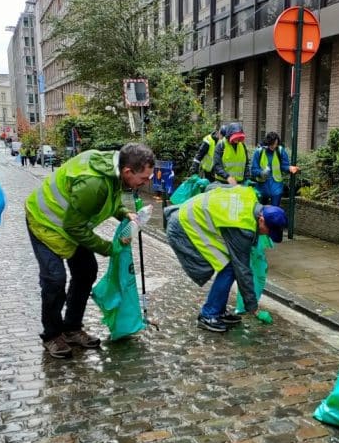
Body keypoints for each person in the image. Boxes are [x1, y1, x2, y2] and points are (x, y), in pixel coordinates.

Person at [25, 143, 155, 358]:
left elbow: (108, 201)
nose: (146, 182)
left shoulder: (115, 169)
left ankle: (72, 328)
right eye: (143, 178)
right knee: (54, 279)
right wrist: (108, 248)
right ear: (128, 171)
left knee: (86, 271)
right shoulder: (94, 184)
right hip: (44, 222)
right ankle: (52, 335)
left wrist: (123, 213)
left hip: (71, 224)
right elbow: (73, 227)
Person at [165, 185, 288, 332]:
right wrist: (253, 309)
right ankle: (209, 314)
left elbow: (213, 187)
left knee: (229, 265)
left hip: (186, 216)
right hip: (184, 226)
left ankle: (218, 311)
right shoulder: (243, 226)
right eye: (268, 231)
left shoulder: (250, 198)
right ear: (261, 219)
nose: (266, 235)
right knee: (230, 267)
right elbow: (242, 269)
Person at [250, 131, 299, 206]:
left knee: (275, 211)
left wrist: (289, 168)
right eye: (272, 144)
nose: (274, 146)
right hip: (262, 186)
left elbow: (283, 166)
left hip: (276, 186)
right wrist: (261, 173)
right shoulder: (259, 152)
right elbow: (253, 170)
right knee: (260, 212)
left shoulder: (280, 150)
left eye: (276, 144)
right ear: (267, 142)